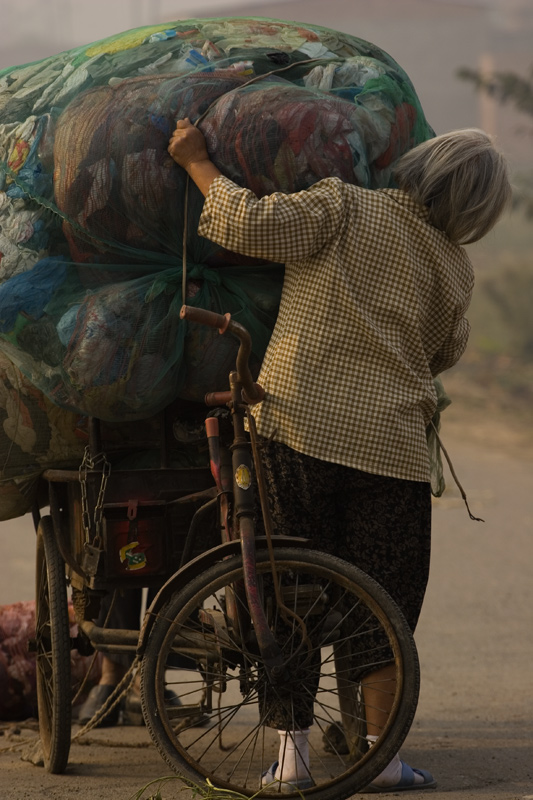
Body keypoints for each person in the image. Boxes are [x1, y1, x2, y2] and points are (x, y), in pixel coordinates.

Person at [168, 119, 511, 792]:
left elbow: (246, 223)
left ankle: (292, 760)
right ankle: (380, 760)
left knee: (283, 596)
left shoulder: (343, 205)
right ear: (477, 212)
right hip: (391, 451)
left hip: (297, 429)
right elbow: (442, 351)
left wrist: (196, 162)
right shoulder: (454, 268)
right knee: (381, 604)